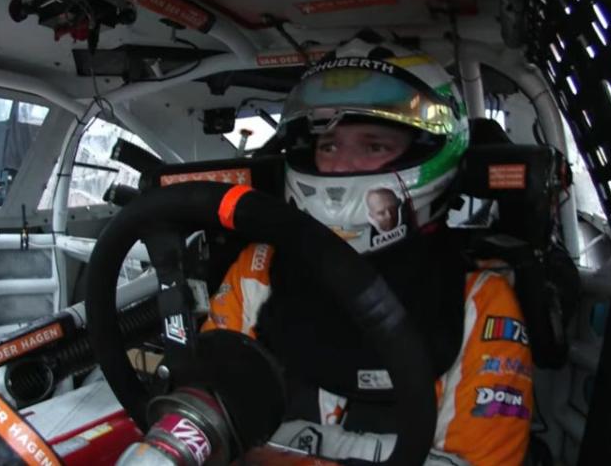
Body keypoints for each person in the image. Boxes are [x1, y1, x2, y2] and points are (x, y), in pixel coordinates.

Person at [202, 34, 532, 465]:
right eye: (329, 145)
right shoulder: (257, 270)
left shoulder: (479, 301)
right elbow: (207, 424)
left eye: (373, 146)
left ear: (428, 152)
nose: (341, 166)